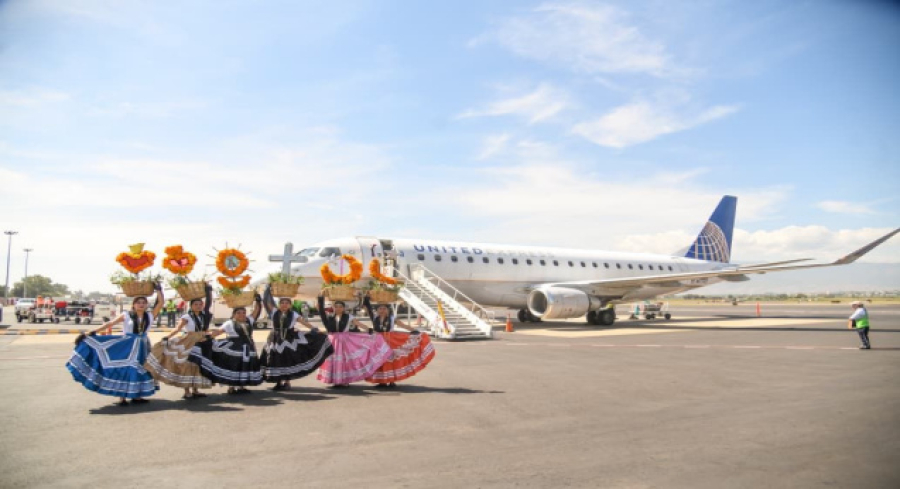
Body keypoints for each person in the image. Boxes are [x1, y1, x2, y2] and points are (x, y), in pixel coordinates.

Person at [66, 284, 164, 407]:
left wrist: (159, 290)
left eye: (144, 302)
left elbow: (160, 303)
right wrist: (92, 332)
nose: (141, 304)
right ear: (133, 304)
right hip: (127, 345)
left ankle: (137, 396)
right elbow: (110, 323)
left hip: (143, 346)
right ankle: (122, 397)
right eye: (138, 302)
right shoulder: (126, 315)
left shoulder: (150, 315)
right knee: (124, 367)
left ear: (147, 305)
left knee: (141, 369)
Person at [145, 284, 215, 399]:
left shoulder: (205, 315)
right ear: (191, 306)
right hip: (189, 340)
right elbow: (178, 328)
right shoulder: (187, 317)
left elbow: (209, 303)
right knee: (186, 364)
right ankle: (187, 391)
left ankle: (195, 390)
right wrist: (167, 337)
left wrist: (208, 291)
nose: (198, 306)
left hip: (202, 340)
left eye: (200, 304)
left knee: (197, 365)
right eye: (195, 304)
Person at [259, 285, 333, 391]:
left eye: (287, 303)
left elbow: (304, 323)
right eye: (282, 303)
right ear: (279, 304)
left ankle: (287, 382)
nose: (284, 305)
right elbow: (267, 302)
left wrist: (316, 329)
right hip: (274, 338)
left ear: (290, 305)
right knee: (275, 359)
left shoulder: (293, 314)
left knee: (287, 359)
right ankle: (278, 382)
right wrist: (267, 290)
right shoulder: (274, 312)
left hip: (289, 339)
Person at [189, 294, 263, 394]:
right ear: (234, 314)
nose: (241, 315)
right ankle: (231, 387)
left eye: (243, 313)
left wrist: (258, 301)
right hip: (234, 348)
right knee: (234, 367)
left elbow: (256, 311)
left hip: (248, 348)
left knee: (244, 366)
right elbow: (217, 332)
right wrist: (204, 338)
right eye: (238, 313)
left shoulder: (249, 320)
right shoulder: (229, 323)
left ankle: (241, 386)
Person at [316, 292, 392, 388]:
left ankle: (344, 381)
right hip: (332, 341)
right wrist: (321, 298)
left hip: (344, 341)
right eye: (336, 306)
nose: (338, 308)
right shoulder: (329, 317)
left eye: (340, 307)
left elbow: (359, 324)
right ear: (333, 308)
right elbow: (321, 311)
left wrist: (370, 330)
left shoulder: (348, 317)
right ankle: (336, 381)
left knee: (345, 361)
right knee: (333, 361)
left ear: (344, 308)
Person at [363, 294, 435, 389]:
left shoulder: (392, 318)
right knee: (380, 361)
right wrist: (366, 299)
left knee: (391, 361)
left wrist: (414, 331)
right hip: (378, 343)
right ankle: (382, 382)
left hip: (390, 342)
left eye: (384, 309)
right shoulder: (375, 318)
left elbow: (403, 325)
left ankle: (391, 381)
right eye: (380, 309)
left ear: (388, 310)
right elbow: (367, 308)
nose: (382, 310)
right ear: (377, 310)